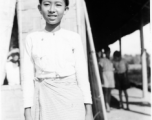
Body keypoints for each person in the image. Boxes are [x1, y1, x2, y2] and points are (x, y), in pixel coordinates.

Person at [22, 0, 93, 120]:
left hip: (72, 102)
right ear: (40, 8)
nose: (52, 9)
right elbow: (27, 78)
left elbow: (82, 76)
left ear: (66, 9)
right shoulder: (32, 39)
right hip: (45, 100)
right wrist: (27, 111)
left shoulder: (73, 38)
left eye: (58, 5)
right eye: (47, 4)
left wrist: (89, 111)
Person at [98, 47, 115, 112]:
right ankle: (106, 106)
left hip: (110, 76)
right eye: (107, 52)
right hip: (105, 75)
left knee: (109, 92)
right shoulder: (102, 59)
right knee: (105, 91)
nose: (108, 53)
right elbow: (100, 69)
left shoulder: (109, 60)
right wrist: (101, 78)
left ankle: (108, 105)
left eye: (109, 52)